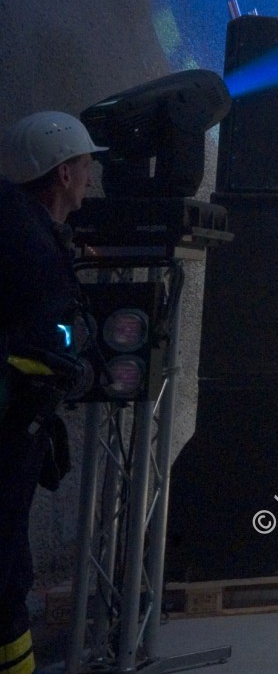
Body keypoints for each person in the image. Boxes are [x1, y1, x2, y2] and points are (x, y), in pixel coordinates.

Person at [0, 113, 104, 674]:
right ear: (64, 174)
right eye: (87, 167)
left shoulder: (19, 228)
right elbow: (45, 346)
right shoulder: (30, 248)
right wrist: (79, 371)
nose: (93, 178)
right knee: (5, 577)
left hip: (16, 426)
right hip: (11, 430)